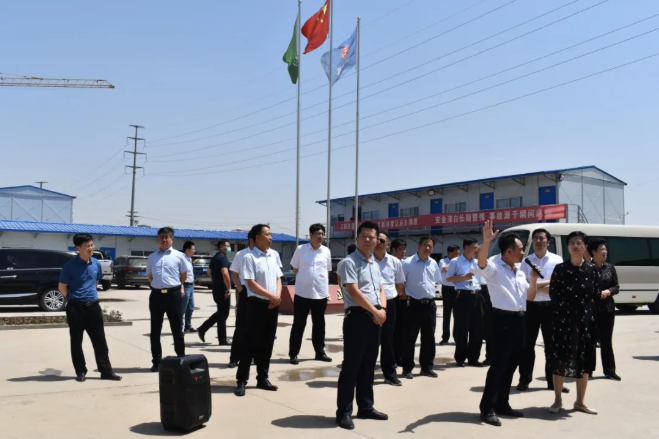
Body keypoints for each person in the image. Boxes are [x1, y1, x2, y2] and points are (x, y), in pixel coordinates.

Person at [478, 221, 538, 427]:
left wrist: (534, 280)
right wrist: (486, 242)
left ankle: (502, 403)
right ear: (509, 251)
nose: (523, 252)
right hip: (501, 321)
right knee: (498, 366)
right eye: (520, 249)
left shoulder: (520, 270)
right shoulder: (495, 269)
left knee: (512, 365)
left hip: (520, 320)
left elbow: (529, 296)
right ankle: (487, 408)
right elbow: (482, 264)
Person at [336, 221, 388, 430]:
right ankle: (344, 412)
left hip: (375, 317)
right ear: (356, 238)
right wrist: (375, 311)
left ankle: (365, 406)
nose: (368, 240)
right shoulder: (349, 262)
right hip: (357, 317)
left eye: (372, 237)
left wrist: (382, 309)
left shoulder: (374, 263)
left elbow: (381, 289)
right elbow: (353, 291)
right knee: (351, 366)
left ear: (377, 240)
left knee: (369, 365)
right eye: (364, 236)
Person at [546, 231, 599, 415]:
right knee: (560, 359)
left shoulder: (593, 269)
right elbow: (553, 294)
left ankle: (580, 402)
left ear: (585, 246)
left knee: (584, 360)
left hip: (586, 321)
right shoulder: (560, 269)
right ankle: (557, 400)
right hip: (563, 320)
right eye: (572, 243)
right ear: (568, 247)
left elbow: (596, 295)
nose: (575, 246)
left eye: (579, 243)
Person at [58, 233, 121, 382]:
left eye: (92, 245)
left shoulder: (96, 263)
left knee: (100, 341)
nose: (91, 248)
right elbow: (62, 287)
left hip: (93, 307)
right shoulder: (69, 266)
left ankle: (106, 371)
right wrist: (74, 298)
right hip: (76, 308)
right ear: (78, 248)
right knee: (76, 341)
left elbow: (96, 281)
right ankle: (80, 371)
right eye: (87, 246)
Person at [517, 229, 568, 393]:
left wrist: (534, 286)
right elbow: (523, 286)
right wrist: (545, 285)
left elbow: (558, 284)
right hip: (530, 307)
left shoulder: (556, 260)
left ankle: (553, 382)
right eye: (536, 239)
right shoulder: (526, 261)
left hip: (551, 307)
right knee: (526, 345)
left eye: (541, 238)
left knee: (552, 346)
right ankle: (524, 380)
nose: (538, 241)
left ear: (548, 242)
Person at [234, 224, 283, 397]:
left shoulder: (274, 255)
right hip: (254, 305)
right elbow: (251, 283)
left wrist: (277, 297)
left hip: (272, 306)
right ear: (257, 238)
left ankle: (263, 378)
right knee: (249, 343)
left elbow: (278, 278)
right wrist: (272, 296)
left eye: (271, 234)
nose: (271, 237)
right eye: (267, 234)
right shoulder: (249, 257)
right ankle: (241, 380)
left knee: (267, 343)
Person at [289, 223, 332, 365]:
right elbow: (295, 268)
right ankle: (293, 353)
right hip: (302, 293)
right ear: (311, 235)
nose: (321, 236)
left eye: (322, 234)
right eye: (318, 234)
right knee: (299, 324)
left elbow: (327, 271)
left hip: (320, 293)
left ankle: (320, 352)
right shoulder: (301, 249)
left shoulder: (326, 251)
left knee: (319, 324)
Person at [147, 227, 188, 372]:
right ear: (157, 239)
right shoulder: (152, 257)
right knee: (155, 330)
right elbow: (150, 276)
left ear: (172, 239)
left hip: (173, 295)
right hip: (157, 296)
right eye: (161, 237)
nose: (164, 239)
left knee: (177, 328)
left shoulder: (179, 256)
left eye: (166, 237)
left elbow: (184, 275)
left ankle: (181, 358)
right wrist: (158, 286)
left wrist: (179, 287)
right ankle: (156, 361)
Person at [401, 236, 442, 379]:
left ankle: (426, 367)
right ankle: (407, 368)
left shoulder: (433, 263)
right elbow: (400, 282)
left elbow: (437, 280)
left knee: (429, 338)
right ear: (418, 246)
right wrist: (404, 296)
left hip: (429, 304)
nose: (428, 248)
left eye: (430, 246)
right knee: (409, 338)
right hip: (413, 304)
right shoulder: (408, 263)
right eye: (425, 245)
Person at [374, 232, 406, 386]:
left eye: (382, 240)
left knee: (388, 340)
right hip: (371, 304)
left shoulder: (395, 262)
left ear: (387, 244)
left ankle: (390, 374)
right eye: (376, 239)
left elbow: (399, 284)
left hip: (390, 303)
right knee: (370, 340)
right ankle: (365, 372)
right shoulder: (366, 260)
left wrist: (402, 297)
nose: (378, 243)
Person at [447, 239, 483, 367]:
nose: (477, 250)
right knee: (462, 329)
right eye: (475, 247)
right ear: (466, 247)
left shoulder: (477, 262)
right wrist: (463, 277)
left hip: (477, 295)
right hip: (463, 296)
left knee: (477, 329)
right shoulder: (455, 261)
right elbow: (449, 278)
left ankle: (474, 358)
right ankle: (460, 358)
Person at [588, 238, 621, 381]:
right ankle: (588, 370)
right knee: (590, 341)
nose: (605, 251)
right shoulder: (587, 268)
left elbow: (616, 287)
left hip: (607, 309)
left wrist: (608, 292)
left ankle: (609, 371)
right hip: (591, 309)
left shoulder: (610, 268)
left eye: (605, 249)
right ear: (593, 252)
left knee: (606, 341)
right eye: (601, 249)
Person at [227, 237, 255, 368]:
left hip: (263, 293)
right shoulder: (241, 254)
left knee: (257, 328)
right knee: (241, 326)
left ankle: (254, 356)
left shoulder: (271, 254)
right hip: (245, 290)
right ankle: (235, 358)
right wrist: (240, 289)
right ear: (253, 239)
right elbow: (234, 274)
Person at [198, 241, 232, 346]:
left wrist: (216, 279)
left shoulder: (215, 258)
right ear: (221, 247)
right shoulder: (222, 258)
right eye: (228, 246)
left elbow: (209, 272)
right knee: (223, 314)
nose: (229, 248)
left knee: (221, 313)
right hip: (223, 290)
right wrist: (229, 287)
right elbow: (225, 273)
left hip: (216, 289)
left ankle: (217, 336)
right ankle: (206, 330)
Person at [390, 238, 408, 367]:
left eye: (404, 249)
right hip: (391, 299)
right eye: (401, 249)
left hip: (403, 300)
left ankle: (399, 356)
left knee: (401, 330)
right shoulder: (389, 262)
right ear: (393, 249)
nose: (403, 252)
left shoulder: (406, 263)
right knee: (391, 331)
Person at [439, 245, 461, 346]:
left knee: (457, 315)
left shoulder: (459, 262)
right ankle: (445, 337)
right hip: (447, 289)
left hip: (457, 289)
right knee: (446, 315)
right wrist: (454, 262)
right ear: (449, 253)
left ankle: (456, 337)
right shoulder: (443, 261)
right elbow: (444, 269)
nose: (458, 256)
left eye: (459, 254)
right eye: (456, 253)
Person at [180, 241, 197, 334]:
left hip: (190, 285)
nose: (194, 251)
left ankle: (188, 326)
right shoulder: (182, 259)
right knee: (182, 308)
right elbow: (179, 274)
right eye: (192, 249)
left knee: (190, 307)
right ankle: (180, 328)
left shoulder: (189, 259)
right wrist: (181, 286)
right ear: (187, 250)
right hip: (185, 285)